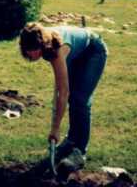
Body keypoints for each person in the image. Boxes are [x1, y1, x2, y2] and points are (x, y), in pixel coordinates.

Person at [19, 23, 107, 173]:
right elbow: (61, 88)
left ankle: (80, 151)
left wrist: (55, 128)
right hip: (76, 53)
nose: (32, 54)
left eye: (34, 50)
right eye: (28, 50)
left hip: (93, 51)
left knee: (80, 100)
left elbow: (63, 92)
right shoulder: (45, 45)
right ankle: (72, 139)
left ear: (42, 44)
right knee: (74, 98)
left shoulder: (57, 49)